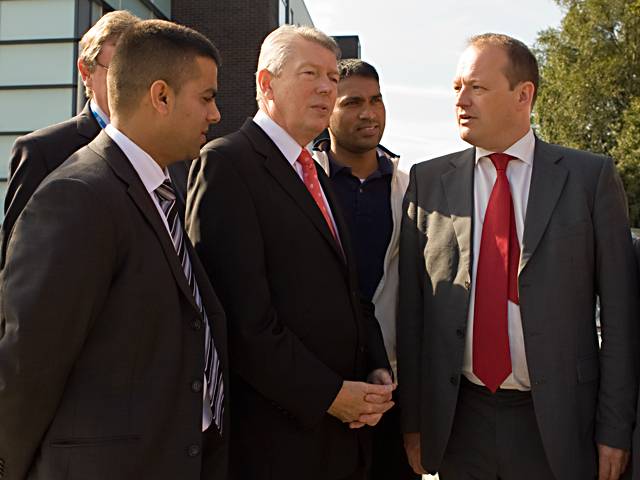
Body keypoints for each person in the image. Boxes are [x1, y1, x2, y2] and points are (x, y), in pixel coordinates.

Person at [398, 33, 638, 480]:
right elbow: (413, 316)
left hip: (560, 426)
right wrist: (413, 424)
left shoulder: (590, 179)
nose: (461, 100)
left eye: (477, 87)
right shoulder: (428, 182)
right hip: (459, 424)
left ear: (523, 95)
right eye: (456, 88)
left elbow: (622, 320)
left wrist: (616, 429)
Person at [0, 19, 229, 480]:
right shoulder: (75, 195)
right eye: (206, 97)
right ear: (160, 97)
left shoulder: (163, 186)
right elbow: (26, 361)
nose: (216, 114)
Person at [186, 25, 394, 480]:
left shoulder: (314, 172)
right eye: (309, 74)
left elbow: (350, 291)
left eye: (331, 77)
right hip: (274, 444)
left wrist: (376, 365)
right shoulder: (227, 164)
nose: (326, 86)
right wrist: (330, 396)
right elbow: (241, 321)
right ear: (266, 84)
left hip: (343, 436)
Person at [1, 10, 190, 267]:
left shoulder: (173, 156)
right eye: (117, 69)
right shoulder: (43, 153)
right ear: (86, 71)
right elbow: (17, 267)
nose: (131, 81)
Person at [313, 59, 415, 480]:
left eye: (376, 100)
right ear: (328, 111)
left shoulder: (412, 188)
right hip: (322, 389)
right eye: (352, 101)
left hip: (394, 389)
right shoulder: (304, 183)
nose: (369, 113)